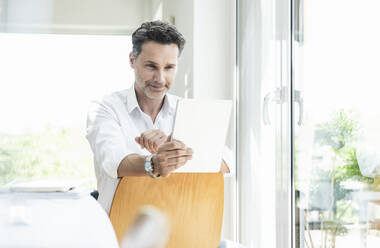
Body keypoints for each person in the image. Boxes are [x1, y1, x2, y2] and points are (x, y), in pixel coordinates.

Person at [86, 20, 230, 214]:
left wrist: (173, 147)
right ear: (132, 60)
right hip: (119, 229)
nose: (160, 78)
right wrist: (153, 163)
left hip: (180, 226)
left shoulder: (186, 110)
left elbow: (227, 160)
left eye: (169, 67)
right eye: (151, 66)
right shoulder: (105, 108)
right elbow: (114, 162)